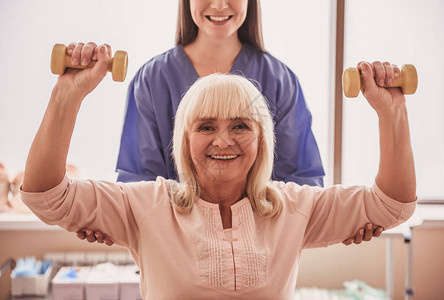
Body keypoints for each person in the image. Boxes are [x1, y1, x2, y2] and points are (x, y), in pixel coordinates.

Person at [21, 44, 416, 298]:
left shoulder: (294, 207)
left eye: (240, 126)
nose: (223, 141)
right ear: (184, 140)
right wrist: (67, 94)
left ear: (262, 139)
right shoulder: (146, 205)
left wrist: (391, 110)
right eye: (206, 127)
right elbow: (46, 196)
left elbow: (392, 205)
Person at [71, 0, 382, 246]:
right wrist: (116, 222)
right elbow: (136, 188)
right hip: (173, 253)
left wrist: (337, 221)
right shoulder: (152, 79)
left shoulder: (279, 80)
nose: (219, 5)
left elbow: (304, 189)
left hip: (262, 256)